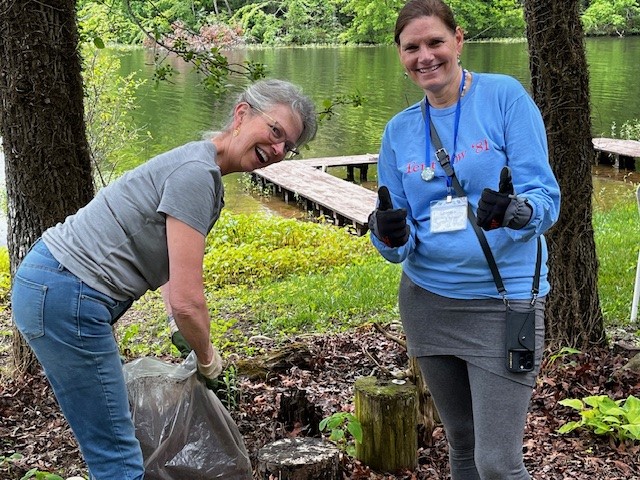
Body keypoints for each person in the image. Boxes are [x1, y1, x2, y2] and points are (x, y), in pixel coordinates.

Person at [11, 78, 317, 480]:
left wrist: (181, 330)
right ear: (242, 114)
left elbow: (175, 275)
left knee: (111, 437)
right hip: (67, 294)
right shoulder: (196, 174)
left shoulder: (201, 169)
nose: (277, 149)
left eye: (287, 145)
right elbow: (189, 301)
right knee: (117, 455)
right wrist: (210, 362)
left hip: (55, 286)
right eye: (275, 131)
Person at [367, 1, 561, 479]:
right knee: (463, 447)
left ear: (458, 40)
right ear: (400, 55)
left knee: (498, 463)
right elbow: (397, 238)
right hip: (428, 301)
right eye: (412, 47)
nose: (425, 56)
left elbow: (546, 197)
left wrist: (519, 211)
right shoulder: (398, 131)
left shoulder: (503, 97)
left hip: (504, 302)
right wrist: (388, 235)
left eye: (435, 42)